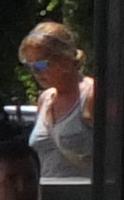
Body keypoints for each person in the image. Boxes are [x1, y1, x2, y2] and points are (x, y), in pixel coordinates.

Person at [21, 22, 97, 182]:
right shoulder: (45, 99)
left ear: (65, 60)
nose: (35, 72)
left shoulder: (91, 95)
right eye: (30, 66)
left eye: (41, 64)